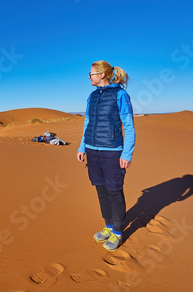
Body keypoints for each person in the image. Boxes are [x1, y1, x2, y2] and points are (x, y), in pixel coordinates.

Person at [76, 61, 135, 251]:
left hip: (112, 151)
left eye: (91, 73)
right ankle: (108, 226)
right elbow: (88, 123)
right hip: (92, 151)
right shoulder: (92, 97)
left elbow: (129, 126)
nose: (89, 76)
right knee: (100, 190)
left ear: (102, 74)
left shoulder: (120, 95)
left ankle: (117, 232)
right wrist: (82, 147)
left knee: (114, 190)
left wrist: (127, 153)